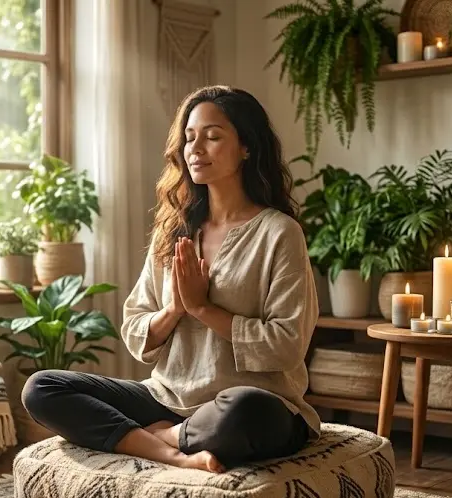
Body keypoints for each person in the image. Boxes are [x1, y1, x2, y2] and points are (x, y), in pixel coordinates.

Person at [22, 85, 321, 473]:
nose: (195, 149)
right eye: (189, 138)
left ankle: (157, 436)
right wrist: (173, 310)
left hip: (253, 403)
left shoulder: (279, 233)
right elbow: (134, 327)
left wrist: (202, 309)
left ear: (247, 147)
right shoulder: (175, 230)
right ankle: (170, 450)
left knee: (248, 410)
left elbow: (287, 346)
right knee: (42, 389)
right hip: (167, 397)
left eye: (213, 137)